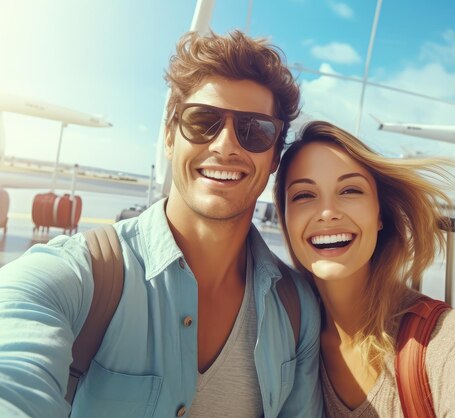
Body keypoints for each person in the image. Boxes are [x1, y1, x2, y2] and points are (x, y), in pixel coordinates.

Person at [0, 31, 322, 418]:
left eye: (254, 131)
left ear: (273, 159)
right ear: (170, 138)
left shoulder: (298, 308)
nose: (225, 145)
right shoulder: (78, 278)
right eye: (203, 121)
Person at [273, 121, 455, 417]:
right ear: (285, 218)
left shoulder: (452, 342)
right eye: (303, 195)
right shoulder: (281, 336)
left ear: (380, 215)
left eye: (350, 190)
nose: (327, 213)